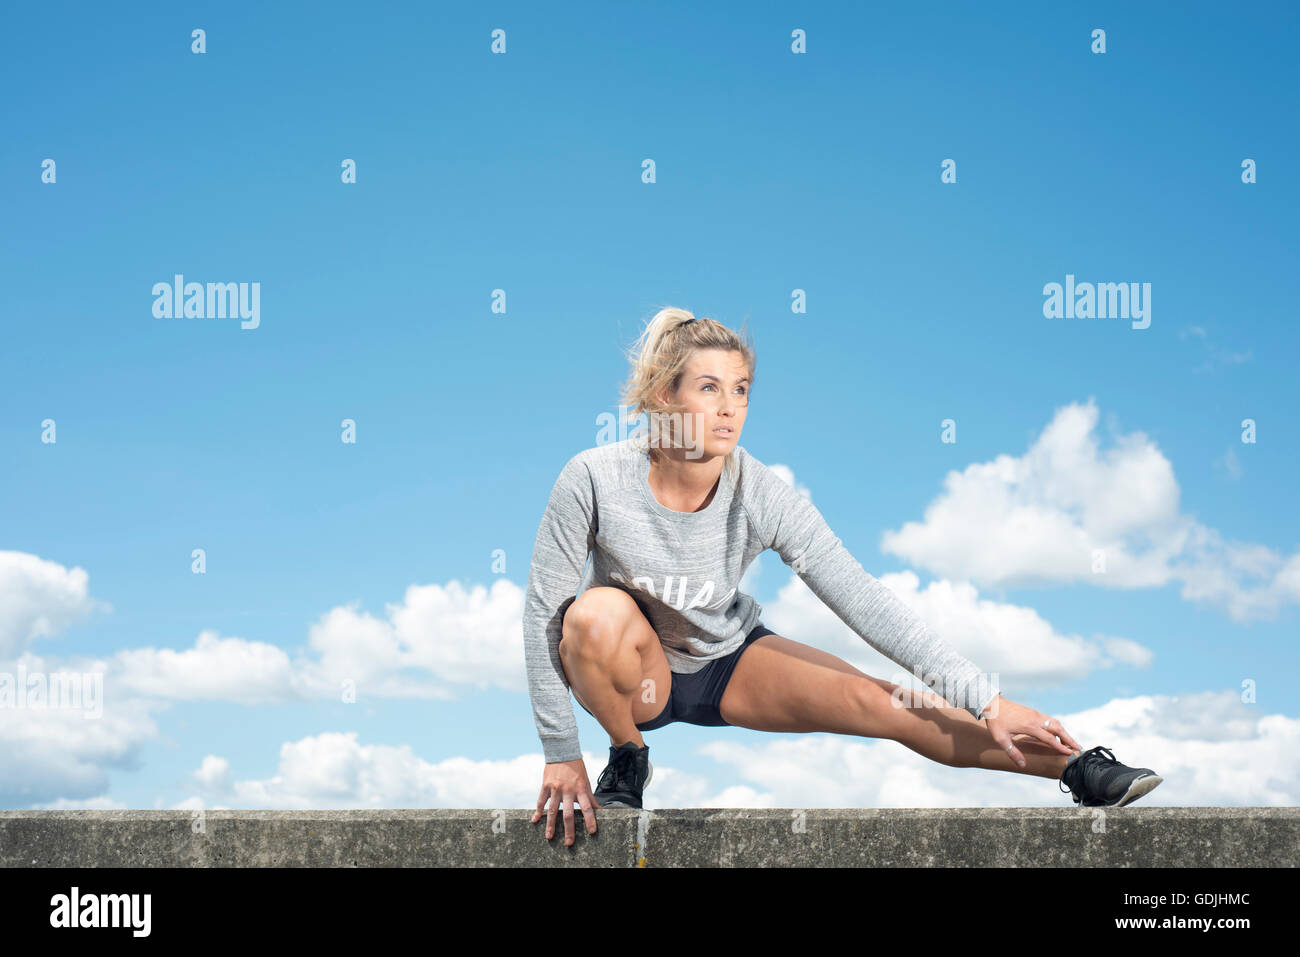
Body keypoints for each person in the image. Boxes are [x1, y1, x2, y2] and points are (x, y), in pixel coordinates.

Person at [524, 307, 1162, 846]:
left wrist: (987, 700)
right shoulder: (593, 477)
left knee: (886, 704)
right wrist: (560, 752)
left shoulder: (762, 492)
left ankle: (1077, 768)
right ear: (666, 395)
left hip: (726, 662)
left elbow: (861, 598)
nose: (729, 409)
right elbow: (543, 617)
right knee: (591, 614)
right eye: (709, 388)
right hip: (635, 675)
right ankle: (628, 758)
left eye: (741, 389)